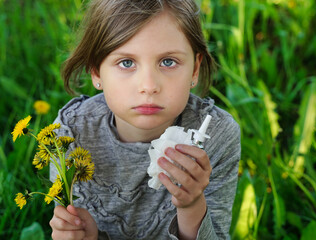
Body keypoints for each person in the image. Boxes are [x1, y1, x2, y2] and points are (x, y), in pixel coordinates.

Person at [49, 0, 241, 239]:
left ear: (194, 70)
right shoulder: (73, 133)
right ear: (96, 72)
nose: (149, 86)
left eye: (168, 62)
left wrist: (191, 205)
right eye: (126, 63)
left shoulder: (216, 136)